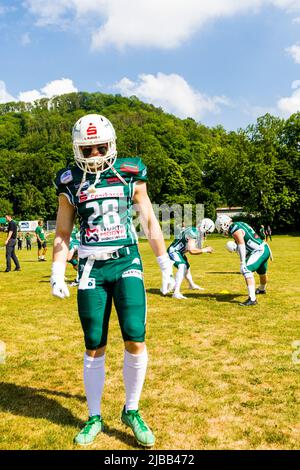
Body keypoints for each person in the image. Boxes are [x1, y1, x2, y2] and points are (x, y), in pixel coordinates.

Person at [51, 113, 173, 447]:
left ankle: (131, 410)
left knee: (135, 336)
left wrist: (164, 263)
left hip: (125, 260)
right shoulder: (70, 180)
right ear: (78, 149)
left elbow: (148, 219)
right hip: (91, 266)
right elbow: (63, 231)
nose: (93, 155)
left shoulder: (129, 171)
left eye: (99, 147)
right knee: (94, 345)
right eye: (87, 149)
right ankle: (94, 416)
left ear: (111, 144)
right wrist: (57, 270)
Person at [215, 215, 271, 306]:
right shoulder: (240, 223)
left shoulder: (234, 228)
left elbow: (242, 245)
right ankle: (261, 289)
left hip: (259, 250)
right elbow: (245, 240)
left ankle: (252, 299)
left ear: (224, 224)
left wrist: (242, 262)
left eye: (221, 228)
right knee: (262, 272)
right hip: (263, 248)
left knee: (246, 269)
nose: (222, 231)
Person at [167, 221, 214, 300]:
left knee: (187, 268)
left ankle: (191, 285)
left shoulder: (194, 230)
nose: (207, 234)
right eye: (207, 232)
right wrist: (205, 250)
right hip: (174, 251)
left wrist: (203, 249)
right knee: (182, 266)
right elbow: (191, 251)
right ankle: (176, 292)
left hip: (179, 252)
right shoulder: (193, 232)